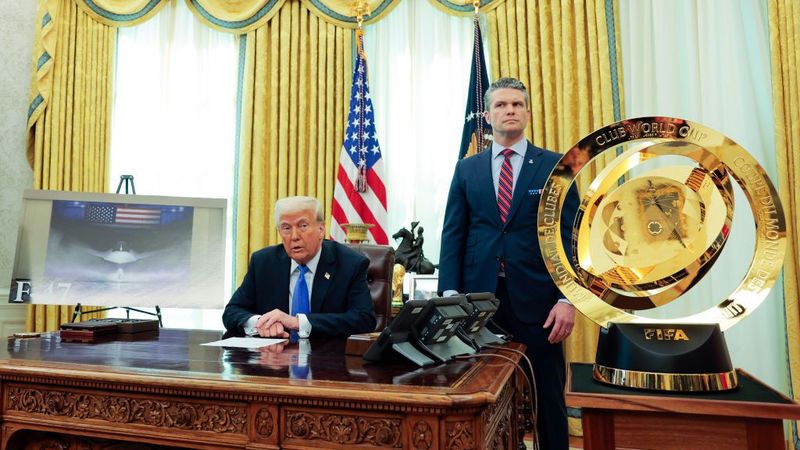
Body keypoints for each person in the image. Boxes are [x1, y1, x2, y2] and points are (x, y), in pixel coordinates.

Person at [438, 77, 579, 450]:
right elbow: (454, 234)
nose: (510, 110)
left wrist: (568, 300)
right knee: (479, 393)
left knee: (547, 394)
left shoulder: (554, 167)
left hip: (541, 303)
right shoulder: (467, 169)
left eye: (517, 104)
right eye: (501, 105)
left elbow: (571, 239)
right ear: (488, 115)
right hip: (478, 304)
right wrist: (450, 296)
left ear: (528, 113)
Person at [222, 196, 376, 338]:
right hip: (275, 360)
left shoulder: (350, 264)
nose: (294, 236)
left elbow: (364, 319)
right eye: (286, 228)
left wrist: (298, 322)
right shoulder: (263, 262)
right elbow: (232, 311)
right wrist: (262, 323)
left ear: (321, 230)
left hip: (327, 361)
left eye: (303, 226)